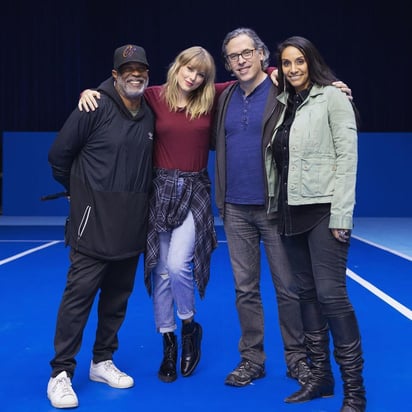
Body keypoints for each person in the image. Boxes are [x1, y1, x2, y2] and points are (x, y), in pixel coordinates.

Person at [78, 46, 231, 383]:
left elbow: (250, 82)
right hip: (159, 191)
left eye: (201, 73)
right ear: (177, 67)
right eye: (188, 69)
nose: (193, 77)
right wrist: (91, 91)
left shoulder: (211, 97)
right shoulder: (153, 96)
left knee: (178, 265)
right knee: (160, 273)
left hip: (194, 191)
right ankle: (169, 342)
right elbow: (118, 90)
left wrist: (276, 72)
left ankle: (190, 327)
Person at [213, 27, 353, 388]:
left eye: (247, 53)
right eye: (233, 56)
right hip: (235, 208)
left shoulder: (283, 90)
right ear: (227, 63)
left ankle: (298, 359)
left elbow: (314, 92)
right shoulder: (224, 97)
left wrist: (335, 86)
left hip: (275, 205)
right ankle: (252, 359)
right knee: (245, 289)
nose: (241, 60)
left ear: (262, 55)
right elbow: (174, 92)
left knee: (289, 288)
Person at [46, 44, 155, 409]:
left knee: (116, 300)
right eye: (127, 70)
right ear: (114, 75)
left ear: (147, 73)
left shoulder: (151, 111)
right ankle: (60, 373)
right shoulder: (92, 106)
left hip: (131, 225)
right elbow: (58, 156)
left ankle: (101, 361)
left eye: (140, 69)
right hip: (92, 226)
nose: (134, 74)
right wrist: (77, 194)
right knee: (78, 300)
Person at [265, 36, 366, 411]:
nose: (293, 69)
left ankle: (355, 391)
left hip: (324, 210)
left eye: (300, 62)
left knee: (331, 296)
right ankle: (321, 379)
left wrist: (342, 215)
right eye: (286, 63)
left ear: (312, 62)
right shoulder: (283, 102)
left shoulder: (333, 98)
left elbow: (347, 158)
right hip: (290, 212)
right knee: (305, 296)